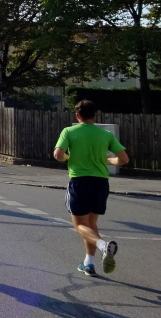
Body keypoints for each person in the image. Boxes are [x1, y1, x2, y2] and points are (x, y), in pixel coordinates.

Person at [53, 99, 129, 276]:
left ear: (77, 115)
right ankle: (89, 263)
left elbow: (58, 154)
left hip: (80, 181)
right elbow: (124, 159)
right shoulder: (106, 135)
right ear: (95, 115)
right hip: (101, 183)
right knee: (91, 224)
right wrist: (109, 160)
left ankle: (102, 245)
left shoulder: (69, 131)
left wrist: (68, 158)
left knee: (80, 225)